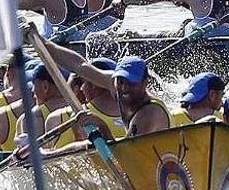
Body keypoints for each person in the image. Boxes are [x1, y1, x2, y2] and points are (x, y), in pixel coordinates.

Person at [35, 37, 171, 139]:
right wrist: (41, 42)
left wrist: (102, 127)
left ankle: (44, 156)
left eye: (131, 83)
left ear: (145, 83)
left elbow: (126, 156)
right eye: (121, 81)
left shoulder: (150, 114)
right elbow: (80, 66)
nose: (124, 88)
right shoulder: (116, 86)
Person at [47, 58, 126, 149]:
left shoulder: (57, 118)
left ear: (94, 84)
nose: (81, 88)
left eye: (83, 82)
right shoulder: (137, 112)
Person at [14, 62, 70, 139]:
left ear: (45, 87)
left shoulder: (33, 116)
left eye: (33, 84)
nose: (32, 91)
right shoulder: (81, 107)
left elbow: (30, 150)